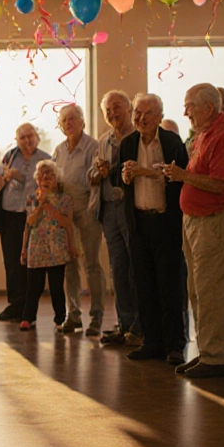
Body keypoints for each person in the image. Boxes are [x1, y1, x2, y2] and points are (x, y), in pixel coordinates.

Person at [167, 83, 224, 380]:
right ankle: (207, 352)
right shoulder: (203, 134)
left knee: (211, 291)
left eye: (190, 106)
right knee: (197, 290)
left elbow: (221, 184)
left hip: (214, 220)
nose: (185, 112)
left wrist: (183, 176)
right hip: (197, 220)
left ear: (209, 108)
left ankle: (214, 358)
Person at [120, 94, 189, 364]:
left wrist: (143, 171)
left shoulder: (172, 142)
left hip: (165, 222)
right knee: (144, 286)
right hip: (138, 224)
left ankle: (175, 345)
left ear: (160, 116)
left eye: (148, 113)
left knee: (170, 286)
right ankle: (152, 343)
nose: (141, 118)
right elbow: (119, 178)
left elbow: (179, 177)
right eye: (137, 112)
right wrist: (125, 176)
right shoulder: (128, 143)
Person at [52, 103, 105, 334]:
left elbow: (96, 179)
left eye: (73, 118)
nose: (69, 123)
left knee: (91, 263)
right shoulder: (59, 150)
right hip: (65, 211)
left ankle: (96, 317)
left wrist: (92, 208)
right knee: (69, 265)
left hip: (87, 209)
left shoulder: (93, 147)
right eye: (64, 120)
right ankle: (73, 315)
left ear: (82, 122)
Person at [91, 90, 139, 343]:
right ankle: (125, 323)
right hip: (109, 209)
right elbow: (91, 175)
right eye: (107, 110)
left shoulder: (139, 136)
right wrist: (98, 173)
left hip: (133, 209)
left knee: (136, 266)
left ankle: (140, 326)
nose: (112, 113)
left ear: (129, 108)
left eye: (116, 107)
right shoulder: (103, 141)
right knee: (117, 268)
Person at [0, 124, 49, 322]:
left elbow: (54, 186)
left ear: (37, 137)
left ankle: (29, 307)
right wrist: (6, 177)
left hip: (34, 216)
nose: (26, 141)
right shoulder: (10, 157)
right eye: (22, 137)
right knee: (12, 261)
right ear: (17, 140)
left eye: (30, 136)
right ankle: (15, 304)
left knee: (32, 262)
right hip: (10, 215)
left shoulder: (45, 159)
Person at [19, 160, 75, 330]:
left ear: (56, 179)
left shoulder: (65, 199)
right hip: (36, 248)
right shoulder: (32, 198)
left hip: (57, 248)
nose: (45, 178)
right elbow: (30, 222)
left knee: (56, 287)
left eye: (50, 175)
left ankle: (60, 319)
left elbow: (67, 223)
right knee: (33, 287)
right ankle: (28, 318)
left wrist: (72, 246)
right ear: (37, 179)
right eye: (42, 175)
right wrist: (23, 249)